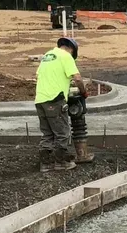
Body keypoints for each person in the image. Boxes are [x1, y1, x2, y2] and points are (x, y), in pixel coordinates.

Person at [34, 37, 90, 172]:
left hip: (40, 99)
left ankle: (45, 164)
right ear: (72, 50)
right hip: (55, 99)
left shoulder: (47, 56)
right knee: (62, 133)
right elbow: (77, 78)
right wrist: (83, 91)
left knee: (47, 133)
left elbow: (40, 76)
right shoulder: (66, 56)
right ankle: (61, 162)